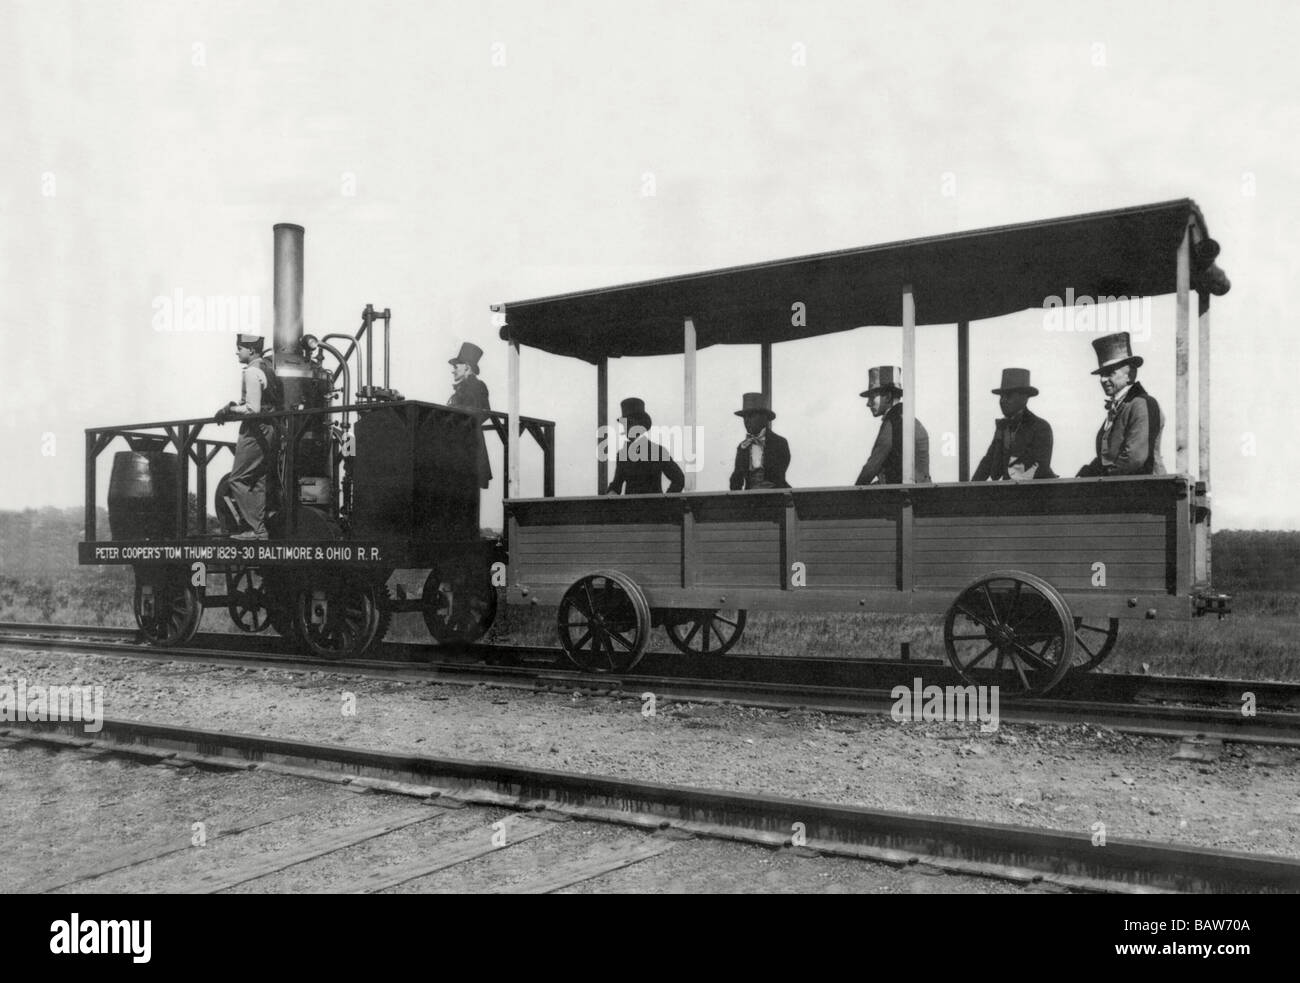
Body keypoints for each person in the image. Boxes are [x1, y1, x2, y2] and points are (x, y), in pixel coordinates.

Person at [215, 334, 281, 540]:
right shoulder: (267, 369)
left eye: (240, 348)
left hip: (256, 429)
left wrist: (231, 409)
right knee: (258, 480)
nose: (237, 352)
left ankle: (257, 530)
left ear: (251, 351)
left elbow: (253, 408)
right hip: (271, 428)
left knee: (238, 480)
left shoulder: (252, 371)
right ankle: (259, 528)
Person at [1076, 332, 1165, 476]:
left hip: (1146, 491)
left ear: (1130, 374)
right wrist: (1090, 470)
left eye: (1110, 373)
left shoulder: (1141, 404)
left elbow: (1134, 459)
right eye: (1101, 375)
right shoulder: (1120, 406)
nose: (1103, 380)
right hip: (1121, 490)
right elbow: (1108, 457)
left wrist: (1100, 478)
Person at [972, 368, 1057, 481]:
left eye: (1008, 396)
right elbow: (988, 461)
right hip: (1009, 493)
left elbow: (1037, 468)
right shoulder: (1003, 427)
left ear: (1024, 398)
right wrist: (969, 490)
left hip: (1036, 494)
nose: (1002, 401)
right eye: (1001, 396)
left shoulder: (1041, 428)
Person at [855, 365, 931, 485]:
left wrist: (853, 495)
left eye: (872, 397)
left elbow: (872, 467)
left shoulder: (893, 422)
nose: (868, 404)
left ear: (888, 397)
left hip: (906, 498)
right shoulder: (906, 418)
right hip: (919, 493)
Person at [606, 397, 685, 494]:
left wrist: (665, 502)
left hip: (654, 508)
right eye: (624, 424)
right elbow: (616, 485)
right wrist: (612, 492)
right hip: (631, 509)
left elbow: (679, 479)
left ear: (641, 425)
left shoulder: (658, 452)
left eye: (629, 423)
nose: (626, 428)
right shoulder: (623, 455)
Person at [446, 341, 492, 489]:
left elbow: (482, 413)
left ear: (467, 367)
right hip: (463, 447)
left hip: (468, 448)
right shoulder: (463, 389)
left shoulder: (476, 386)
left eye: (456, 366)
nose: (453, 370)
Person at [729, 392, 791, 489]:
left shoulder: (780, 443)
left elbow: (779, 475)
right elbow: (736, 479)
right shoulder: (743, 447)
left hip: (775, 498)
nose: (747, 421)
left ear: (764, 418)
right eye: (745, 417)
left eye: (751, 416)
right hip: (750, 501)